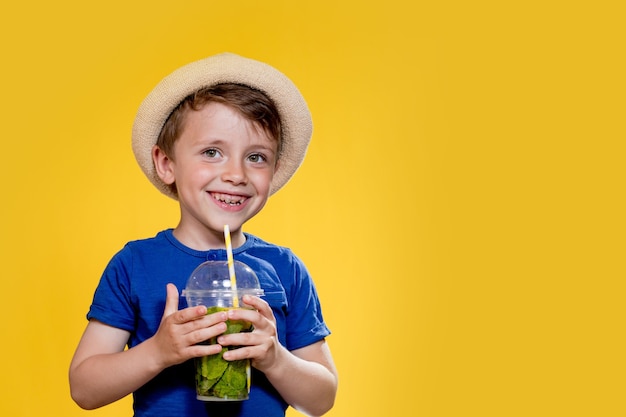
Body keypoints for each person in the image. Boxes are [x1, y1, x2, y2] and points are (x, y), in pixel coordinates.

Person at [69, 53, 338, 417]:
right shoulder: (135, 265)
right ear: (167, 164)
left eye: (256, 157)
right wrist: (158, 352)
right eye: (212, 152)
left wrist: (275, 358)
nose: (236, 174)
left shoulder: (284, 268)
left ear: (273, 170)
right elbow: (84, 389)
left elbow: (321, 400)